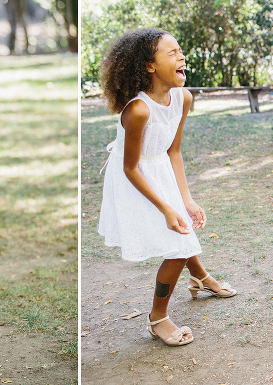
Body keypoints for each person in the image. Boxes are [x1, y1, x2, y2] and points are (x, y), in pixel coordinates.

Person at [98, 28, 236, 347]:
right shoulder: (139, 109)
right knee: (177, 244)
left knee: (183, 231)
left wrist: (185, 199)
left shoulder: (183, 98)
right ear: (149, 66)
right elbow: (130, 167)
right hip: (134, 178)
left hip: (160, 168)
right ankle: (157, 318)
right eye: (171, 52)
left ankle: (200, 278)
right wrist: (165, 207)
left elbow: (174, 151)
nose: (181, 56)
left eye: (181, 51)